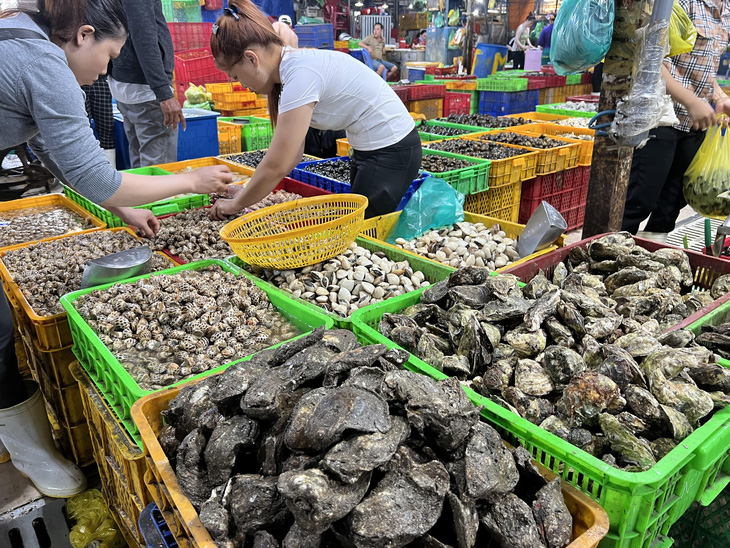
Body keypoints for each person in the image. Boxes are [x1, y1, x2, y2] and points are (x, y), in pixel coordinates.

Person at [0, 0, 231, 498]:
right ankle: (31, 453)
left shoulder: (21, 30)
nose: (106, 68)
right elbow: (96, 175)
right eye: (109, 54)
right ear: (83, 35)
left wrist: (124, 208)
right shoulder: (44, 63)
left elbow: (54, 155)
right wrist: (190, 179)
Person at [209, 0, 420, 220]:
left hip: (392, 149)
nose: (241, 84)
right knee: (358, 225)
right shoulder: (289, 71)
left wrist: (236, 204)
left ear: (252, 59)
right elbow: (292, 155)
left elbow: (277, 164)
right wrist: (247, 192)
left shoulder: (299, 75)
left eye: (235, 76)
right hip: (370, 150)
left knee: (360, 230)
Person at [621, 0, 730, 240]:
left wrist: (719, 96)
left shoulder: (726, 11)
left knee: (671, 202)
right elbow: (651, 61)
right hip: (661, 117)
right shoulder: (682, 3)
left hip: (695, 123)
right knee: (639, 199)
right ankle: (608, 254)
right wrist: (691, 101)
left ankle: (654, 255)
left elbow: (702, 67)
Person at [108, 0, 181, 168]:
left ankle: (145, 193)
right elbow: (143, 34)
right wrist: (163, 93)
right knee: (158, 165)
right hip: (145, 86)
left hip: (124, 81)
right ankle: (156, 194)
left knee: (141, 159)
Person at [82, 74, 116, 167]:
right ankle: (87, 169)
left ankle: (110, 169)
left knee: (107, 128)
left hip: (100, 78)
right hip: (76, 80)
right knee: (83, 130)